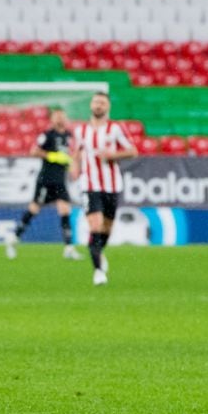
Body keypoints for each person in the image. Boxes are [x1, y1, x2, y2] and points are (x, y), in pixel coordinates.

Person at [71, 92, 138, 286]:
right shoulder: (81, 130)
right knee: (95, 224)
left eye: (102, 102)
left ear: (107, 107)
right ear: (91, 105)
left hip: (112, 184)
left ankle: (98, 251)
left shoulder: (116, 128)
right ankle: (98, 271)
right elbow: (75, 152)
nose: (98, 105)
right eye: (96, 102)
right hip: (89, 184)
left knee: (107, 227)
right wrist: (74, 167)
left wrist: (112, 154)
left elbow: (133, 151)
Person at [5, 108, 81, 260]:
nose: (60, 118)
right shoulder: (47, 135)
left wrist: (73, 165)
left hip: (60, 180)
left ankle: (69, 248)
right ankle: (13, 238)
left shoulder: (69, 136)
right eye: (57, 115)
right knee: (34, 209)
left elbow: (74, 154)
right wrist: (51, 156)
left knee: (65, 210)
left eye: (62, 115)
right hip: (46, 179)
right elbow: (34, 151)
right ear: (52, 118)